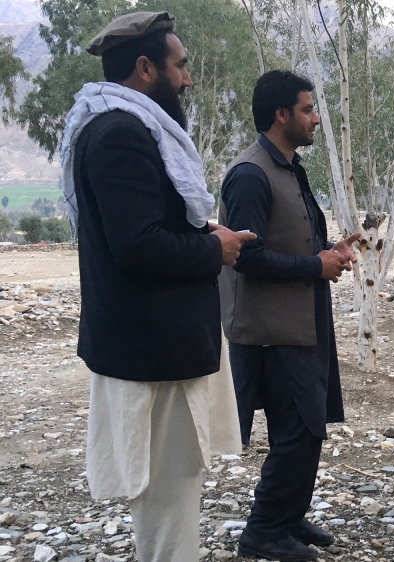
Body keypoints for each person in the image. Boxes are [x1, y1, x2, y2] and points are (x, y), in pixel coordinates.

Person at [62, 11, 253, 562]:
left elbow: (145, 224)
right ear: (146, 68)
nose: (187, 78)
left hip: (156, 346)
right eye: (180, 65)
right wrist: (214, 250)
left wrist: (203, 233)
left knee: (173, 487)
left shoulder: (123, 125)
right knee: (167, 492)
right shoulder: (122, 133)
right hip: (153, 352)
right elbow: (137, 246)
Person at [219, 70, 360, 562]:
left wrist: (328, 250)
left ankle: (287, 516)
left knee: (304, 426)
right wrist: (314, 266)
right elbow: (245, 256)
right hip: (271, 330)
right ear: (281, 114)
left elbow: (289, 238)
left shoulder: (289, 167)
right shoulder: (250, 174)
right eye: (307, 109)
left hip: (300, 321)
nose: (315, 118)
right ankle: (263, 531)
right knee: (298, 430)